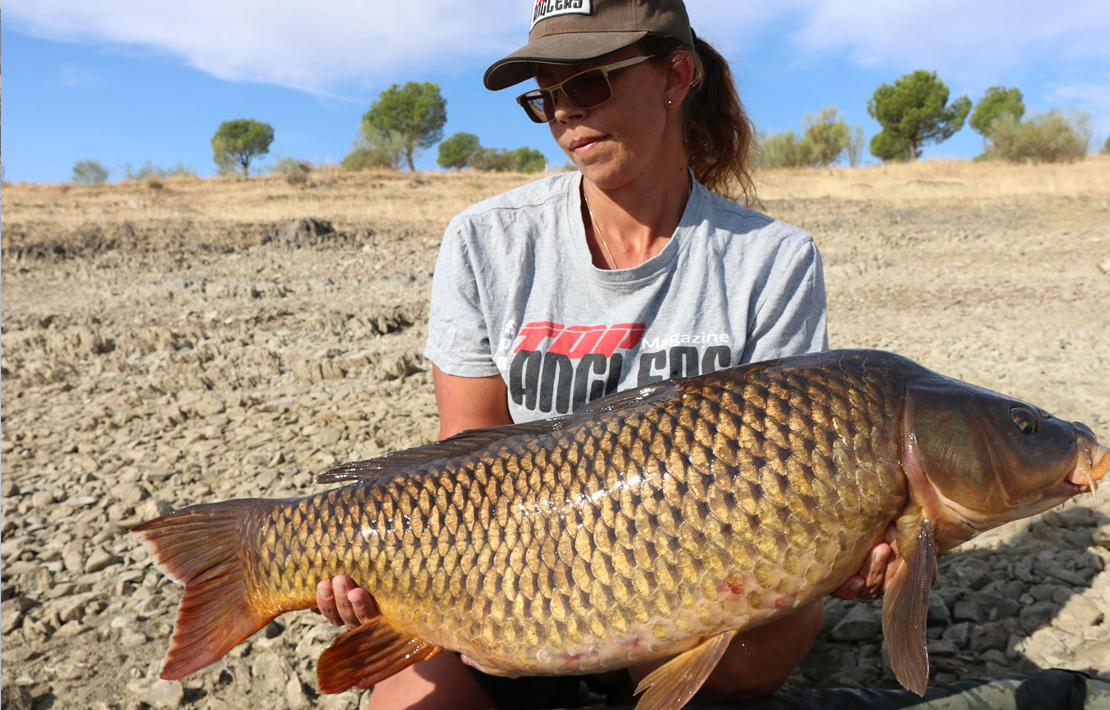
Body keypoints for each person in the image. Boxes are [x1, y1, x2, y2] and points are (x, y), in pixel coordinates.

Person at [316, 0, 899, 707]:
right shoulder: (484, 240)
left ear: (676, 76)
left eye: (587, 82)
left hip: (693, 568)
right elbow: (464, 447)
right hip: (504, 571)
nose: (565, 113)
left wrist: (847, 547)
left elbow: (799, 473)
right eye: (546, 95)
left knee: (776, 620)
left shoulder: (771, 260)